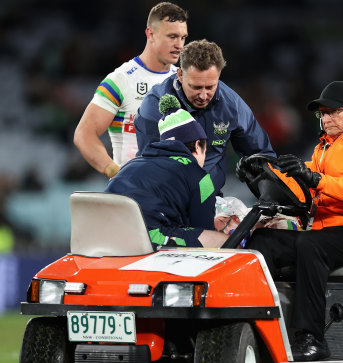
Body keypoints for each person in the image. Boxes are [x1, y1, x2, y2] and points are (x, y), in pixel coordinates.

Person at [240, 81, 343, 361]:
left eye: (332, 112)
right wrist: (263, 172)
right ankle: (251, 325)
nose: (325, 119)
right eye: (322, 114)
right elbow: (301, 189)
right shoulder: (324, 147)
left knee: (309, 245)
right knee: (263, 241)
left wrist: (315, 179)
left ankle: (311, 338)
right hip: (325, 233)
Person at [134, 39, 276, 192]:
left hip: (210, 198)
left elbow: (261, 156)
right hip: (166, 196)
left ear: (219, 76)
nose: (203, 95)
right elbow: (151, 167)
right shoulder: (154, 107)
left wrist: (275, 194)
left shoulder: (232, 104)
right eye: (196, 87)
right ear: (180, 75)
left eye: (210, 87)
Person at [74, 2, 188, 179]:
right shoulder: (121, 79)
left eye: (183, 37)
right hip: (133, 195)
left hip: (173, 194)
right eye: (172, 36)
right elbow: (84, 134)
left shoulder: (184, 81)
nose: (179, 45)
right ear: (150, 34)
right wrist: (114, 172)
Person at [105, 94, 227, 249]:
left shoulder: (131, 164)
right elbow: (202, 229)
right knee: (219, 240)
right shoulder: (200, 177)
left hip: (102, 237)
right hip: (143, 240)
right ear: (197, 146)